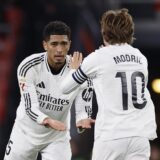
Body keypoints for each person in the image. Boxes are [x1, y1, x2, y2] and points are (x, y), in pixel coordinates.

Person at [60, 8, 157, 160]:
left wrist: (73, 70)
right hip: (139, 136)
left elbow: (65, 88)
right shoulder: (141, 59)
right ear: (131, 32)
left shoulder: (98, 58)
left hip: (112, 135)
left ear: (104, 33)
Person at [4, 21, 95, 160]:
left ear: (69, 44)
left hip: (56, 137)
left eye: (63, 44)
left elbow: (84, 96)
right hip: (26, 133)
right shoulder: (29, 67)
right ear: (45, 45)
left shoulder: (79, 69)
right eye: (54, 44)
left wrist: (82, 117)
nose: (59, 49)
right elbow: (30, 108)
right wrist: (48, 120)